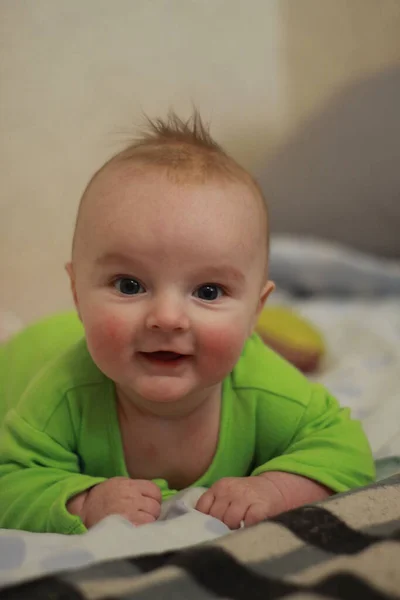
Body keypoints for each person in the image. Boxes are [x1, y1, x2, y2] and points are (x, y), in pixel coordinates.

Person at [0, 112, 375, 534]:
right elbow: (9, 482)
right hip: (24, 354)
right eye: (129, 285)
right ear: (76, 294)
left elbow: (347, 451)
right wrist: (82, 502)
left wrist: (276, 490)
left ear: (256, 311)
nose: (166, 318)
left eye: (208, 292)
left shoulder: (263, 387)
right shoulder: (61, 395)